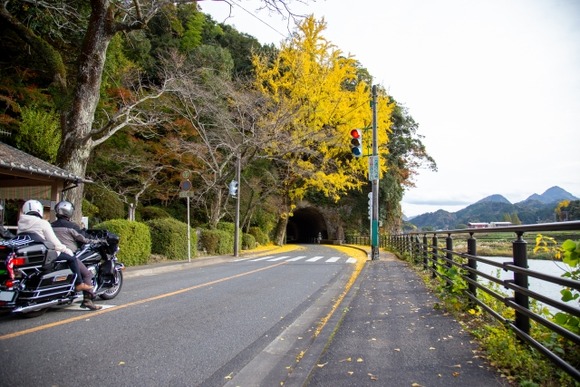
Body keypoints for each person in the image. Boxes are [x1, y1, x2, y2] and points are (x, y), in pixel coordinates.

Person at [17, 200, 94, 296]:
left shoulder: (21, 223)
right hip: (43, 254)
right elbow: (55, 243)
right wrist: (66, 250)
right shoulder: (43, 223)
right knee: (71, 257)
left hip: (30, 254)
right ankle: (79, 284)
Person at [51, 200, 102, 311]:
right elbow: (84, 238)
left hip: (54, 255)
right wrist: (96, 241)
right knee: (87, 274)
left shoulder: (51, 225)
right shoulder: (72, 226)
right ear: (69, 212)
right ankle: (87, 301)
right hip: (68, 254)